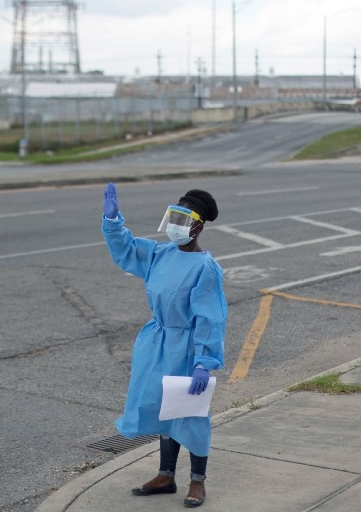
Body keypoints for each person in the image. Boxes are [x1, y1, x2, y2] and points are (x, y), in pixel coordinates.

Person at [101, 182, 228, 508]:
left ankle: (197, 482)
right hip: (157, 344)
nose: (175, 226)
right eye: (174, 217)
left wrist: (204, 361)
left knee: (192, 415)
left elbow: (210, 318)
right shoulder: (161, 253)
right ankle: (166, 475)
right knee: (164, 409)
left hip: (186, 348)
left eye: (183, 221)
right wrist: (113, 221)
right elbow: (128, 251)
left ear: (198, 226)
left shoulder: (205, 268)